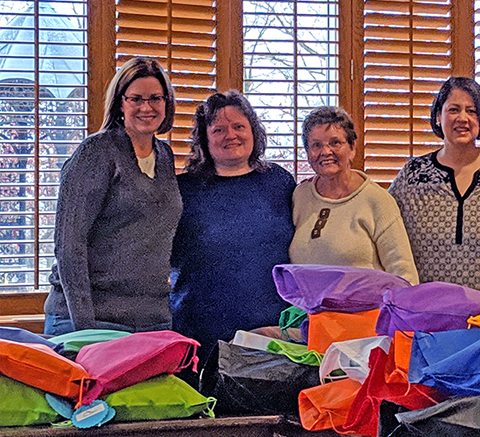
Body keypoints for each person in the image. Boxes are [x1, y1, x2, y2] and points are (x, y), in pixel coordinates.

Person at [44, 58, 182, 335]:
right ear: (120, 103)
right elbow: (69, 246)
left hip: (151, 319)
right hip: (92, 320)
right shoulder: (96, 152)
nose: (147, 107)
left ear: (167, 103)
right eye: (136, 99)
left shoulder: (165, 155)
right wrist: (85, 328)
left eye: (155, 98)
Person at [170, 90, 296, 360]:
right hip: (199, 336)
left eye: (239, 126)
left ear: (254, 131)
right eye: (219, 130)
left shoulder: (280, 182)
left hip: (272, 334)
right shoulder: (182, 190)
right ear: (204, 138)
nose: (231, 135)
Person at [389, 77, 480, 296]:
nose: (463, 118)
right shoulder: (412, 175)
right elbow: (385, 234)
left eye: (472, 111)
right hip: (430, 313)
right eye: (454, 110)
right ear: (438, 116)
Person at [289, 106, 419, 285]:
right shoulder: (300, 195)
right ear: (308, 153)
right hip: (307, 310)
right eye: (316, 145)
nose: (325, 152)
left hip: (367, 311)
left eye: (335, 143)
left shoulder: (377, 200)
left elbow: (404, 274)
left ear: (352, 148)